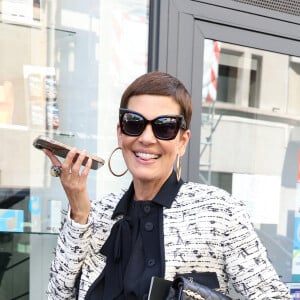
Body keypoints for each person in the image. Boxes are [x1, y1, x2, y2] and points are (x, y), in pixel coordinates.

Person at [45, 71, 292, 300]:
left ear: (183, 141)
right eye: (134, 123)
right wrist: (78, 213)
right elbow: (58, 295)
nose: (146, 138)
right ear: (120, 134)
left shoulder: (219, 211)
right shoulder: (96, 215)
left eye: (165, 127)